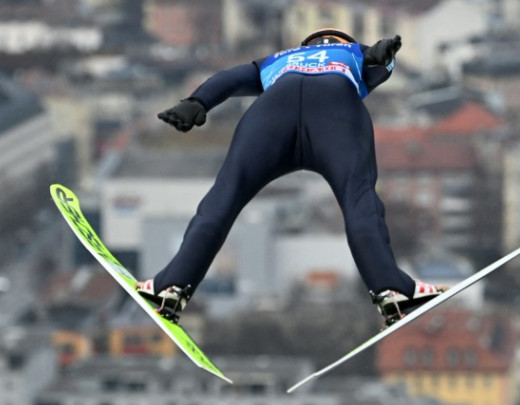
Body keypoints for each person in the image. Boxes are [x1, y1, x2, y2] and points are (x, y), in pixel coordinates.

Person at [137, 28, 444, 326]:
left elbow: (230, 79)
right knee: (359, 200)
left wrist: (197, 102)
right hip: (335, 114)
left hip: (270, 117)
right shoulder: (352, 52)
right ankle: (391, 290)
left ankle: (171, 287)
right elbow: (380, 63)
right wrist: (380, 54)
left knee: (224, 197)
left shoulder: (279, 59)